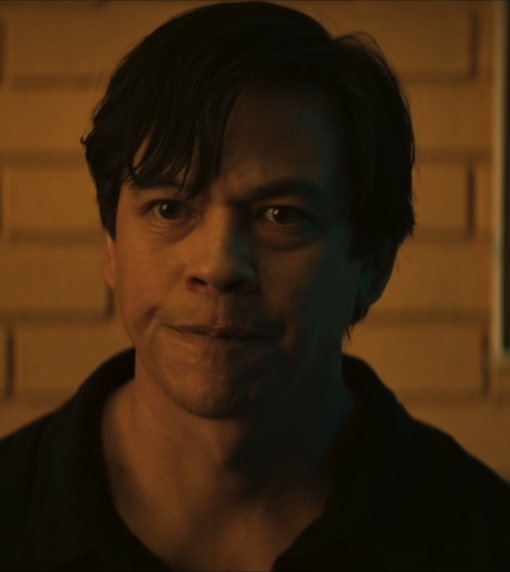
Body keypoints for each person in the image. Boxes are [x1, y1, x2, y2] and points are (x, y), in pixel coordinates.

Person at [1, 2, 510, 570]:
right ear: (112, 248)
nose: (217, 266)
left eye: (282, 216)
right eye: (169, 208)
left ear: (374, 263)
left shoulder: (484, 539)